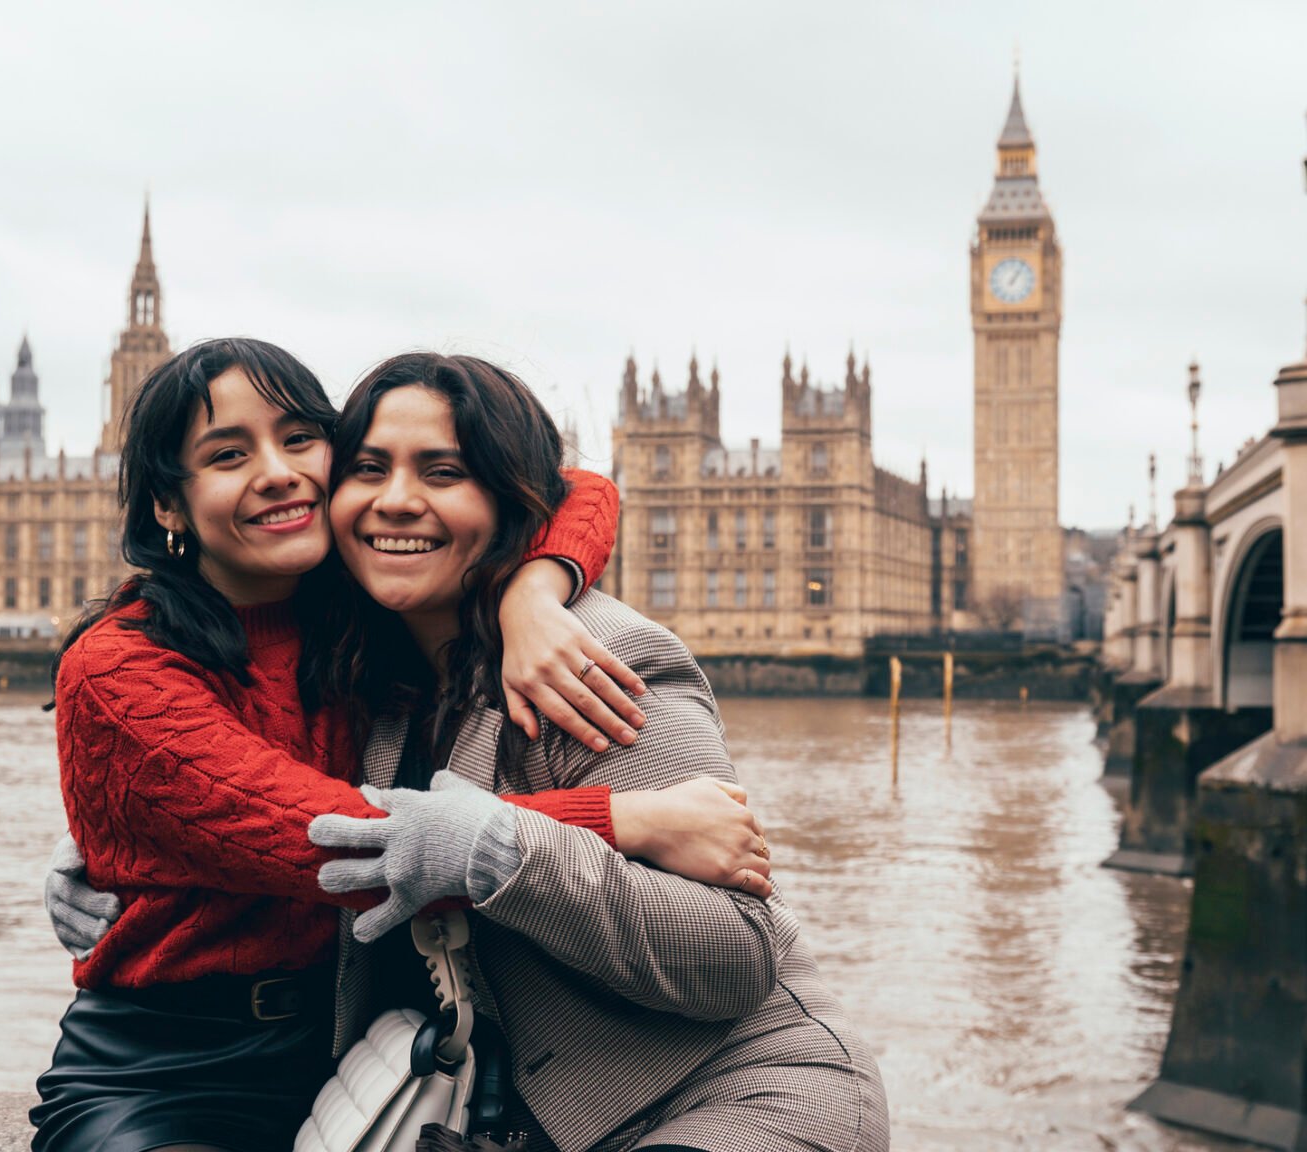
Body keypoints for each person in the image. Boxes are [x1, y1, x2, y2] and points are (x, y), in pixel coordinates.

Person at [32, 338, 771, 1152]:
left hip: (344, 1046)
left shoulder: (348, 607)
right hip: (167, 1072)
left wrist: (535, 587)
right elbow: (348, 841)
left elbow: (578, 488)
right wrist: (624, 819)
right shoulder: (120, 664)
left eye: (299, 440)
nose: (277, 472)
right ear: (167, 504)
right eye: (228, 454)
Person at [302, 352, 889, 1152]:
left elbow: (736, 954)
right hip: (507, 1115)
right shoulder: (357, 674)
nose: (398, 500)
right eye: (369, 468)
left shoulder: (595, 664)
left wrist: (504, 850)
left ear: (511, 502)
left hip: (727, 1101)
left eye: (444, 472)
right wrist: (134, 854)